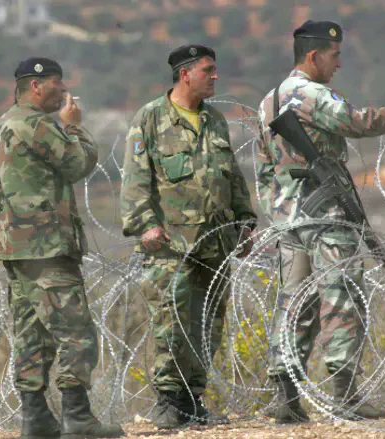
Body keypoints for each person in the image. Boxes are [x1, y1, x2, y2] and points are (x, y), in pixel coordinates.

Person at [256, 20, 385, 423]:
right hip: (326, 216)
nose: (339, 64)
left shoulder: (269, 101)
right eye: (335, 55)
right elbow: (359, 122)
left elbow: (263, 168)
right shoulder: (310, 94)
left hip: (290, 219)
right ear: (314, 56)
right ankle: (344, 395)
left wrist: (279, 211)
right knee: (341, 300)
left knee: (294, 304)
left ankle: (287, 400)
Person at [120, 44, 257, 429]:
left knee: (207, 323)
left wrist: (245, 221)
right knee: (170, 322)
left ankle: (192, 400)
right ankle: (167, 401)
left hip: (214, 240)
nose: (216, 76)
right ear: (185, 74)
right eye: (208, 70)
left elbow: (231, 175)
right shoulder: (150, 119)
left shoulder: (215, 121)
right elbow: (134, 180)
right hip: (170, 245)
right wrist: (144, 223)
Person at [0, 58, 123, 439]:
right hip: (47, 245)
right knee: (75, 331)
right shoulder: (37, 125)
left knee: (31, 333)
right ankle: (77, 417)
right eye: (56, 83)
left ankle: (36, 417)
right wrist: (74, 125)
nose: (63, 91)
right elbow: (78, 163)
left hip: (14, 244)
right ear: (35, 86)